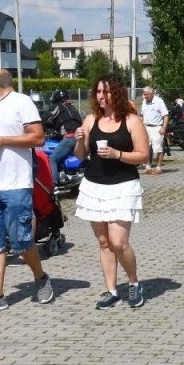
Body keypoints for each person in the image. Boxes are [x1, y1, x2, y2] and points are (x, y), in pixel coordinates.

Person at [0, 60, 57, 312]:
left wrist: (4, 140)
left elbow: (38, 137)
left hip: (16, 184)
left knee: (21, 240)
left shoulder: (20, 102)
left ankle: (41, 278)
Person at [73, 74, 150, 308]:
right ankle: (112, 291)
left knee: (119, 242)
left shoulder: (132, 121)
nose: (101, 96)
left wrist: (117, 154)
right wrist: (79, 141)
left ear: (116, 93)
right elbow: (80, 156)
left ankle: (134, 283)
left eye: (105, 91)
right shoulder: (90, 120)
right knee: (104, 242)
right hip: (94, 186)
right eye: (98, 92)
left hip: (123, 186)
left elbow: (143, 155)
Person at [46, 90, 84, 175]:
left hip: (70, 137)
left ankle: (53, 183)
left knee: (52, 159)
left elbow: (47, 117)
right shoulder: (72, 107)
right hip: (80, 137)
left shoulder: (58, 107)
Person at [138, 86, 168, 173]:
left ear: (152, 94)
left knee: (158, 148)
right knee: (146, 147)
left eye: (147, 94)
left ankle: (158, 167)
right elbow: (142, 115)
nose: (145, 96)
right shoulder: (144, 102)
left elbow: (165, 116)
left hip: (157, 127)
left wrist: (163, 128)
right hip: (146, 127)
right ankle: (147, 166)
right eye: (144, 94)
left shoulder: (159, 101)